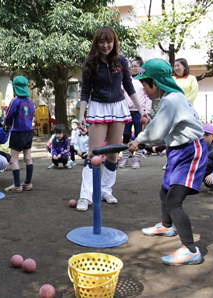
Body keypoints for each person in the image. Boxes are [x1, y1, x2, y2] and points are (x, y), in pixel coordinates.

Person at [129, 58, 208, 266]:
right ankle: (166, 225)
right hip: (178, 150)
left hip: (191, 151)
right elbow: (166, 131)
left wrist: (139, 140)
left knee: (174, 200)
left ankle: (191, 250)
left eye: (145, 85)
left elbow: (156, 130)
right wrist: (156, 143)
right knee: (165, 191)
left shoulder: (172, 100)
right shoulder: (171, 99)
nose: (144, 90)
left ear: (155, 83)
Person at [76, 26, 145, 211]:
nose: (106, 45)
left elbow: (129, 86)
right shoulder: (90, 62)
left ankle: (106, 190)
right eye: (102, 41)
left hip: (118, 108)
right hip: (98, 107)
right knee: (93, 154)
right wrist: (82, 115)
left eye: (109, 41)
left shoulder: (121, 61)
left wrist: (141, 109)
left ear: (114, 42)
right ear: (96, 43)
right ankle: (85, 195)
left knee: (114, 154)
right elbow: (85, 91)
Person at [3, 76, 35, 192]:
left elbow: (9, 115)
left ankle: (17, 185)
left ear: (15, 87)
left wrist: (6, 125)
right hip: (29, 132)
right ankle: (28, 183)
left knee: (14, 159)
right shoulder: (30, 102)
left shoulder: (15, 101)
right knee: (28, 158)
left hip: (17, 133)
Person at [119, 56, 152, 170]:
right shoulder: (126, 80)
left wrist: (146, 112)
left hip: (139, 112)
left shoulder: (143, 80)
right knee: (126, 135)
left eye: (135, 66)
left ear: (140, 67)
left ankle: (137, 159)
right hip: (126, 112)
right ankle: (124, 158)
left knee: (139, 136)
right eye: (131, 66)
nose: (132, 68)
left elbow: (148, 97)